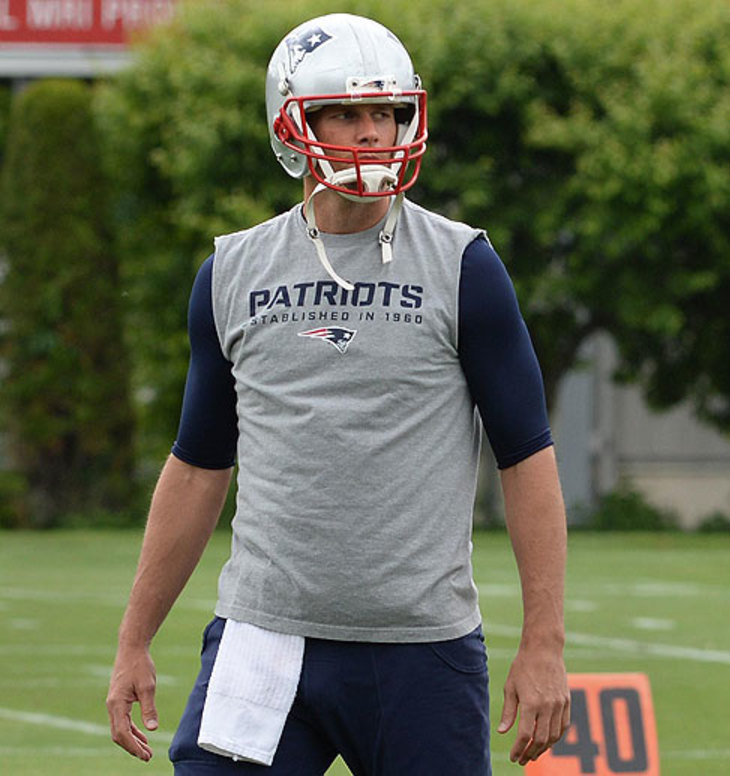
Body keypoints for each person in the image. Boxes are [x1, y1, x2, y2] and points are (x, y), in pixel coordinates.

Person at [106, 13, 570, 774]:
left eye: (386, 111)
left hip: (421, 645)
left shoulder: (465, 266)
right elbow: (196, 467)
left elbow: (527, 457)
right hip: (263, 635)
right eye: (345, 113)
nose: (371, 132)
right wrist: (134, 639)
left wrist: (544, 644)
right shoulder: (231, 270)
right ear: (292, 123)